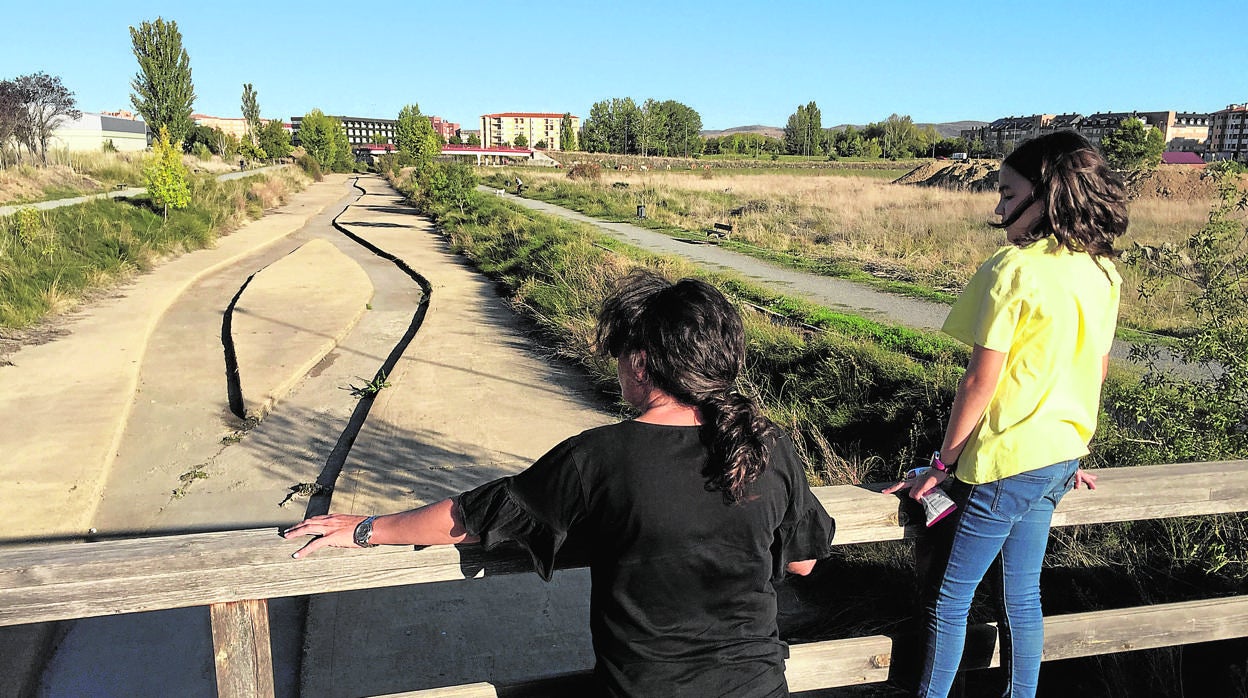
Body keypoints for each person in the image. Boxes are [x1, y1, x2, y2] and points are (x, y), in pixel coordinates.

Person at [285, 271, 835, 697]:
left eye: (620, 354)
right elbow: (803, 562)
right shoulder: (767, 443)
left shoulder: (600, 456)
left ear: (641, 363)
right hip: (761, 687)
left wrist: (366, 528)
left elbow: (474, 518)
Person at [883, 131, 1127, 698]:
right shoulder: (1102, 272)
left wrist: (940, 467)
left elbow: (979, 381)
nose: (997, 207)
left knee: (950, 596)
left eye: (1006, 192)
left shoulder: (1013, 268)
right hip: (1059, 458)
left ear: (1044, 197)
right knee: (1023, 594)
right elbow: (1094, 370)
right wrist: (1071, 449)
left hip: (1008, 459)